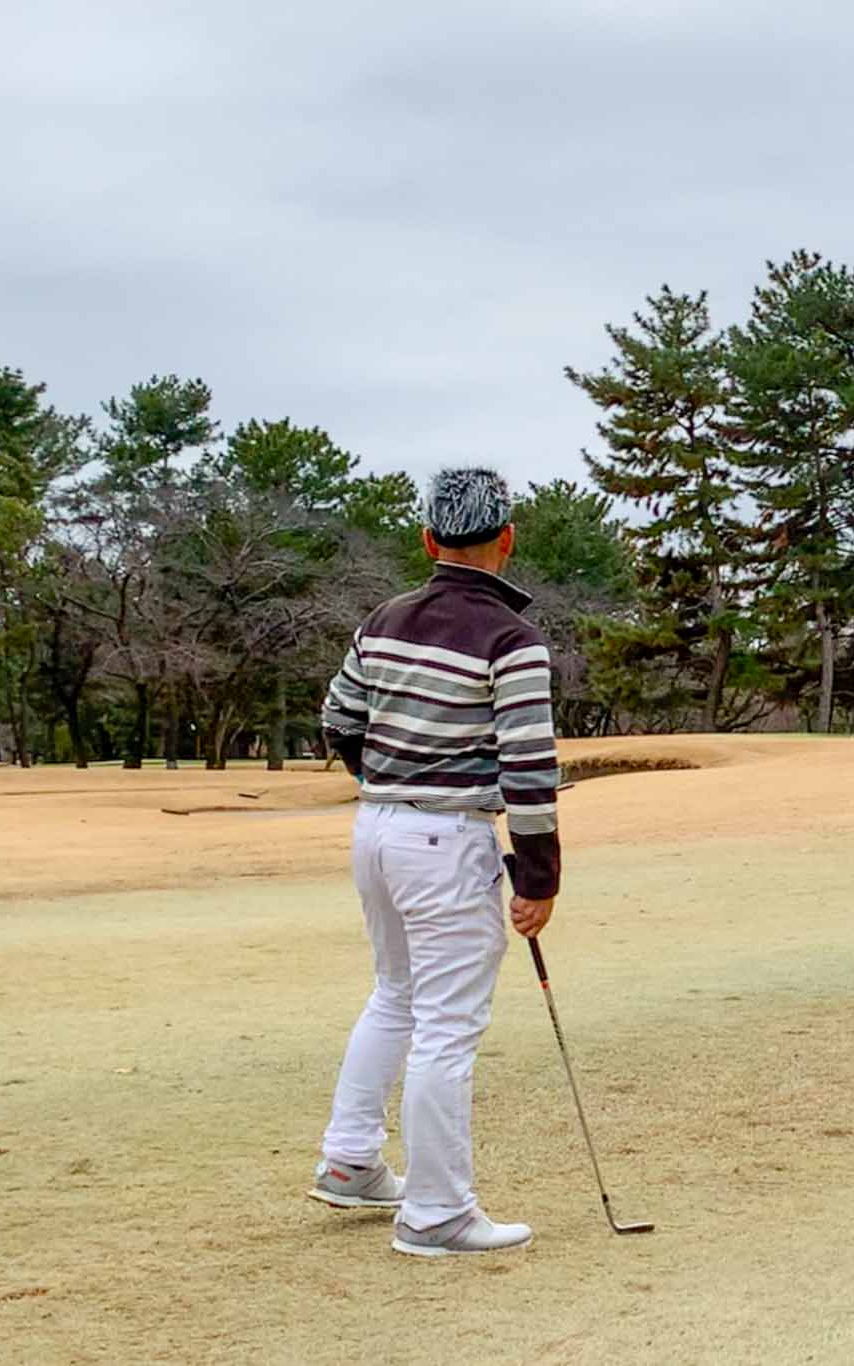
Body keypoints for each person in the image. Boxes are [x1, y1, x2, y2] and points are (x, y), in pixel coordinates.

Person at [307, 467, 562, 1257]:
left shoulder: (383, 618)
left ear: (428, 539)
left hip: (375, 833)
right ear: (507, 538)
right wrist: (540, 874)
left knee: (397, 996)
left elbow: (338, 720)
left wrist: (385, 782)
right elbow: (527, 767)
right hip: (444, 840)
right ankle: (437, 1214)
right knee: (446, 1027)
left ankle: (351, 1161)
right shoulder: (513, 642)